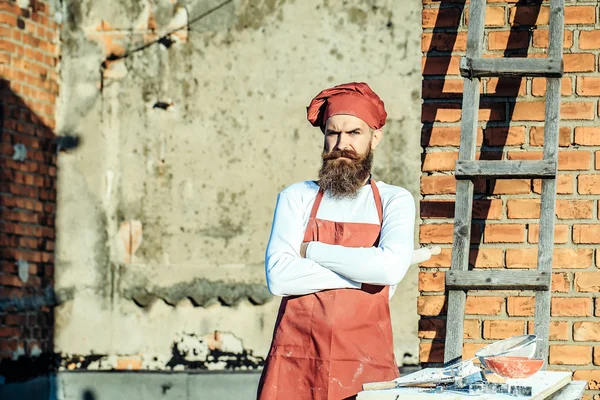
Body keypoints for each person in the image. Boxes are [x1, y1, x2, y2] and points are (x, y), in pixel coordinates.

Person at [257, 82, 416, 400]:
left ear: (375, 138)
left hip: (366, 364)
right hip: (296, 362)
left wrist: (311, 251)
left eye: (354, 133)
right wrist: (365, 277)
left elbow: (389, 270)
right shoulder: (297, 196)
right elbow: (279, 277)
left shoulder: (394, 200)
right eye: (333, 133)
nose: (342, 144)